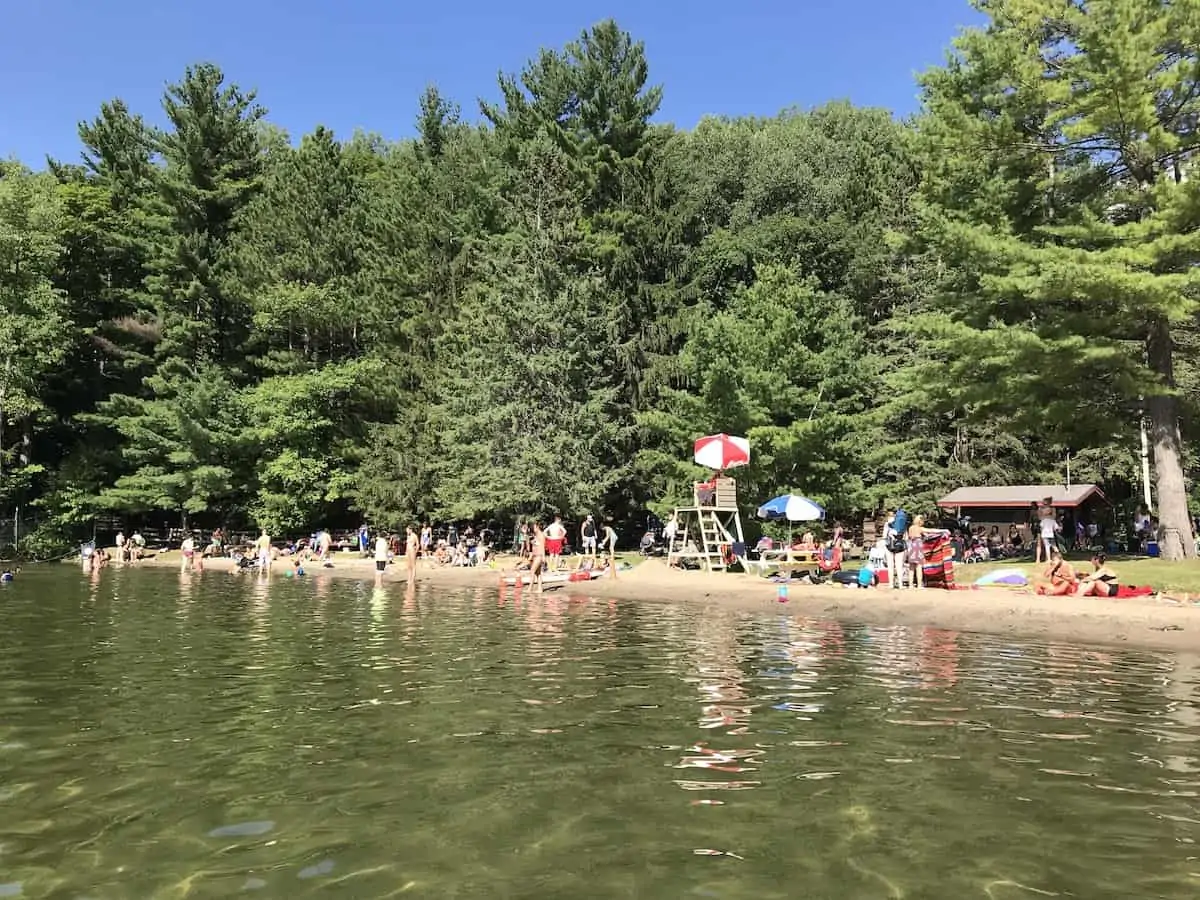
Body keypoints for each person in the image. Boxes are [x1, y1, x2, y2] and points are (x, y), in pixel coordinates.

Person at [884, 509, 908, 590]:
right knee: (899, 565)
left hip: (889, 545)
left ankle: (891, 584)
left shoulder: (888, 523)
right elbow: (906, 537)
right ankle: (900, 584)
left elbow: (884, 535)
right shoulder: (903, 524)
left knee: (890, 565)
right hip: (900, 545)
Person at [906, 514, 929, 590]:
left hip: (911, 547)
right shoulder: (920, 528)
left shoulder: (910, 528)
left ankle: (910, 585)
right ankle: (919, 585)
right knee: (919, 567)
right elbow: (931, 530)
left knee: (911, 568)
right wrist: (943, 531)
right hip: (918, 547)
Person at [530, 523, 546, 593]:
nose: (533, 529)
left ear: (537, 527)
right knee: (538, 573)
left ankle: (530, 588)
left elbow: (542, 546)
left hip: (539, 555)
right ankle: (540, 589)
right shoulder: (536, 535)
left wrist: (543, 557)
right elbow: (536, 545)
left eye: (533, 528)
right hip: (535, 555)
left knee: (532, 571)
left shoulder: (541, 535)